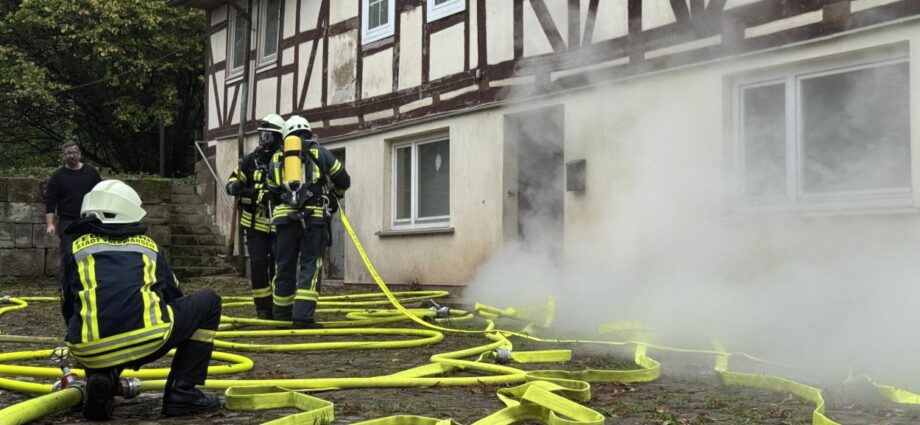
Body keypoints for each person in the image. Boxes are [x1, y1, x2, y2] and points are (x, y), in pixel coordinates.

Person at [60, 180, 222, 420]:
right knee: (209, 303)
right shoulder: (149, 248)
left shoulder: (76, 250)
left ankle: (102, 377)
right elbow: (174, 296)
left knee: (103, 326)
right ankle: (182, 392)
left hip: (90, 350)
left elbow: (68, 306)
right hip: (150, 341)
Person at [266, 115, 350, 328]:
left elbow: (272, 190)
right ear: (308, 132)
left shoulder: (276, 157)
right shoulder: (318, 152)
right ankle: (302, 317)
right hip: (312, 218)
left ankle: (281, 314)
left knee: (283, 265)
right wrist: (334, 197)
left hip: (284, 220)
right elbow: (343, 179)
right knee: (311, 263)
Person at [225, 113, 285, 320]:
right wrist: (242, 189)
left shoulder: (288, 160)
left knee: (278, 265)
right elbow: (232, 184)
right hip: (254, 224)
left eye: (268, 135)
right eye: (262, 135)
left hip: (279, 224)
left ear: (279, 137)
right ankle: (263, 308)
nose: (264, 140)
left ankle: (280, 306)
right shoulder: (251, 160)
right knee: (258, 264)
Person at [44, 141, 102, 282]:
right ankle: (66, 289)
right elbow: (50, 201)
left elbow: (100, 194)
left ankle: (91, 285)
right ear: (63, 156)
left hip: (89, 221)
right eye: (68, 153)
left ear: (80, 154)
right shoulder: (58, 176)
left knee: (92, 255)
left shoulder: (91, 172)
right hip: (67, 223)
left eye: (74, 152)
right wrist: (50, 224)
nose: (72, 156)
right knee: (68, 256)